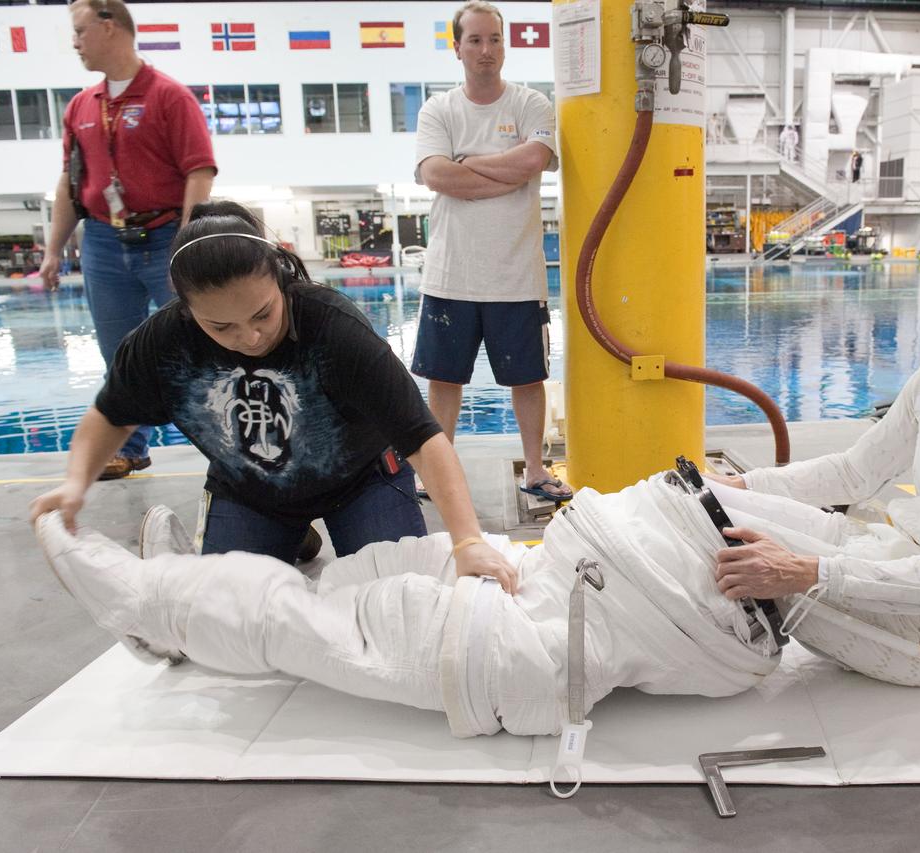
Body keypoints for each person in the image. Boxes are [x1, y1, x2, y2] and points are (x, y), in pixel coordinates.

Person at [33, 194, 920, 736]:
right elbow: (854, 475)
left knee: (475, 635)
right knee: (462, 569)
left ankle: (167, 599)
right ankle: (174, 593)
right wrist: (698, 489)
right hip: (854, 567)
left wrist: (800, 574)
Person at [29, 201, 516, 591]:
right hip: (252, 491)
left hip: (362, 479)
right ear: (186, 308)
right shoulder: (162, 344)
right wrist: (76, 483)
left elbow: (423, 437)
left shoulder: (333, 328)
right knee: (227, 610)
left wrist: (468, 541)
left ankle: (298, 529)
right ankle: (289, 530)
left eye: (263, 314)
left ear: (281, 277)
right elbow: (111, 414)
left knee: (397, 597)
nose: (251, 337)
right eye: (221, 326)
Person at [37, 0, 217, 480]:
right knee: (118, 352)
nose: (74, 43)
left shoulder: (169, 97)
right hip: (102, 242)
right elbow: (69, 184)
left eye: (79, 31)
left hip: (163, 239)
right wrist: (54, 249)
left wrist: (186, 239)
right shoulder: (80, 107)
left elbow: (198, 171)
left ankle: (231, 444)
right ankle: (131, 448)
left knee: (206, 340)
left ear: (109, 26)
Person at [412, 1, 571, 503]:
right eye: (475, 40)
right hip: (450, 275)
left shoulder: (530, 104)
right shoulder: (439, 109)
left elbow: (535, 160)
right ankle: (438, 474)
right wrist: (502, 172)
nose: (486, 50)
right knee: (444, 381)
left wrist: (470, 167)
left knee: (528, 380)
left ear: (506, 44)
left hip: (516, 275)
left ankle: (536, 471)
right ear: (456, 47)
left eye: (494, 39)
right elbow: (436, 175)